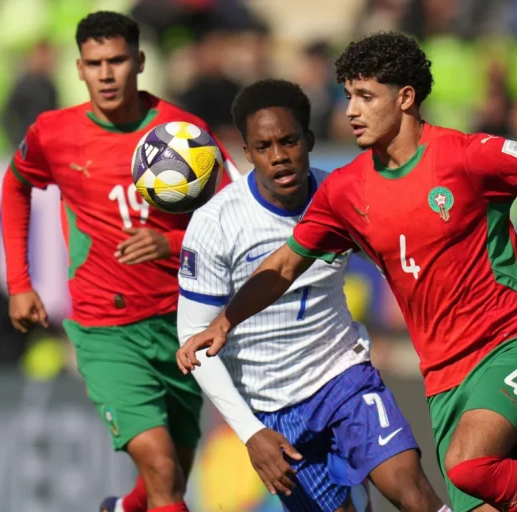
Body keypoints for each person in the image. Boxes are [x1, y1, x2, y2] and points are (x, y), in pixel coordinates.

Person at [176, 32, 517, 512]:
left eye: (366, 97)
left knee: (465, 464)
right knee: (474, 489)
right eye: (348, 97)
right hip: (444, 378)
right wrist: (226, 319)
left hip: (516, 343)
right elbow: (284, 265)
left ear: (406, 98)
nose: (352, 112)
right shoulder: (344, 191)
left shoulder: (468, 156)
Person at [0, 11, 239, 512]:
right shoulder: (54, 133)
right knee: (161, 468)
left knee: (171, 472)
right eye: (94, 63)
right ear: (80, 68)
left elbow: (233, 223)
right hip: (105, 328)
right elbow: (16, 183)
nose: (106, 74)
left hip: (180, 324)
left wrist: (169, 246)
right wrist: (20, 282)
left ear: (140, 61)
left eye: (117, 60)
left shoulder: (185, 132)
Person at [176, 79, 451, 512]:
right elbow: (194, 340)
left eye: (289, 141)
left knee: (410, 489)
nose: (279, 156)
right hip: (273, 410)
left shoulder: (341, 197)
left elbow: (398, 260)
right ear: (247, 153)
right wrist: (251, 433)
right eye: (263, 147)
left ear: (309, 139)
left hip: (343, 376)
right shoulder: (215, 225)